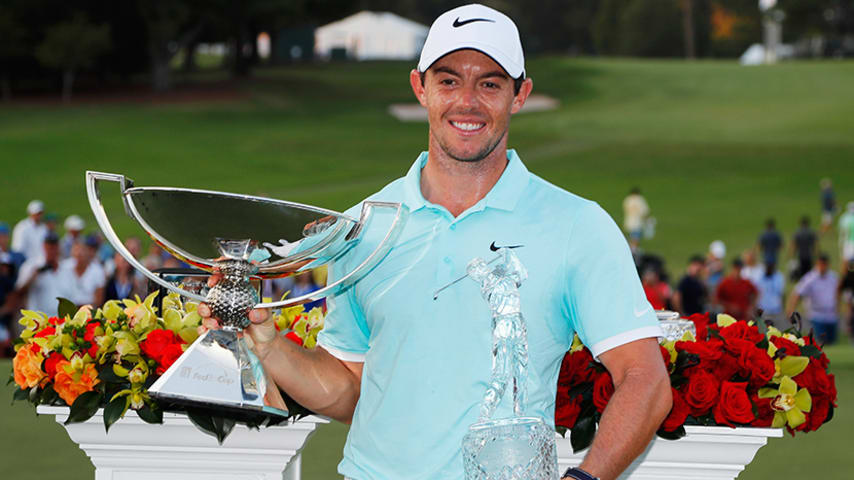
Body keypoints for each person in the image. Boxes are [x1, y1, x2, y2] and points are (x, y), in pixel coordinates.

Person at [199, 5, 670, 480]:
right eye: (448, 81)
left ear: (520, 94)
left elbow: (645, 379)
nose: (467, 101)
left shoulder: (576, 225)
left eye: (489, 83)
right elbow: (349, 389)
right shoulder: (363, 227)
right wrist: (269, 346)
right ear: (419, 88)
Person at [788, 253, 839, 344]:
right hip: (816, 315)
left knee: (832, 342)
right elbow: (798, 293)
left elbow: (838, 292)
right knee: (820, 342)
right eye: (821, 264)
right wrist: (791, 310)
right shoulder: (810, 278)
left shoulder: (833, 277)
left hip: (831, 315)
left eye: (824, 264)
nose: (822, 267)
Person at [13, 233, 64, 322]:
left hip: (60, 321)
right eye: (49, 247)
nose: (52, 250)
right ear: (44, 246)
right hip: (39, 321)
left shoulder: (65, 267)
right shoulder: (31, 266)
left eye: (54, 247)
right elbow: (18, 293)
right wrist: (33, 277)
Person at [57, 235, 106, 307]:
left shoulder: (98, 270)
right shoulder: (63, 267)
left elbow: (99, 299)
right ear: (71, 253)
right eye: (76, 250)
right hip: (67, 310)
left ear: (87, 252)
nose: (79, 254)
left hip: (89, 310)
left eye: (82, 250)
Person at [622, 187, 649, 252]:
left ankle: (631, 248)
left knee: (631, 236)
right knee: (636, 237)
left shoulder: (628, 199)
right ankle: (633, 249)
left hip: (629, 220)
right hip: (637, 222)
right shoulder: (640, 200)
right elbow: (644, 211)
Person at [791, 215, 817, 281]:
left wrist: (792, 254)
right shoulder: (811, 232)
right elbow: (815, 245)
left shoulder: (797, 233)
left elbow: (794, 245)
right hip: (809, 255)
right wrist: (816, 254)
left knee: (801, 271)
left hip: (800, 255)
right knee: (809, 272)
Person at [837, 259, 854, 343]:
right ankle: (849, 328)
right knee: (849, 313)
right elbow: (839, 289)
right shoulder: (846, 277)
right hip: (849, 299)